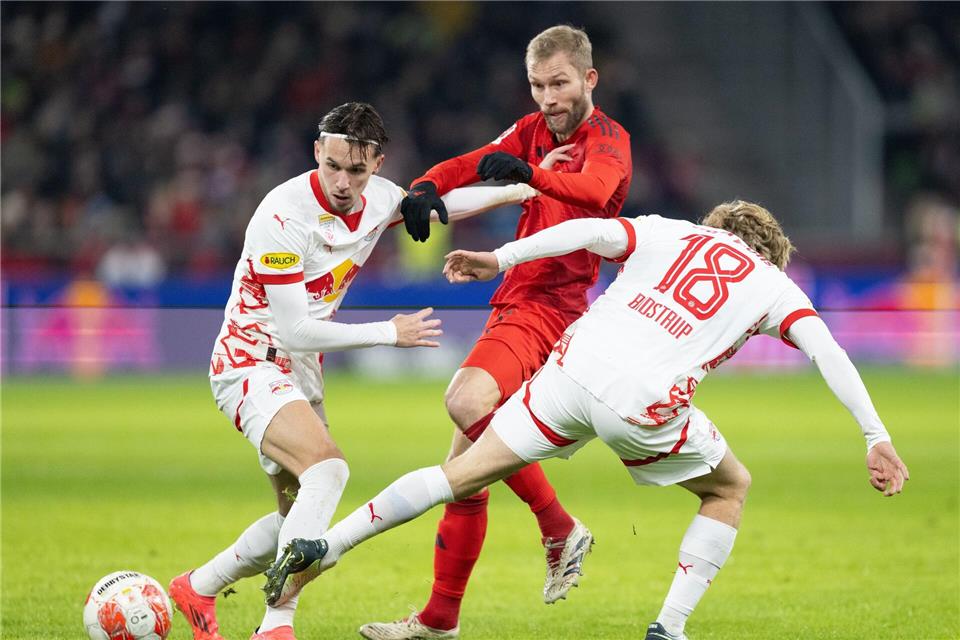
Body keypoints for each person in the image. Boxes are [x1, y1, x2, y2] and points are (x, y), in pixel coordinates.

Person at [263, 201, 909, 640]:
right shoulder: (772, 283)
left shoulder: (669, 230)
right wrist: (875, 437)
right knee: (728, 487)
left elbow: (590, 233)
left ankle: (332, 543)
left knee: (460, 473)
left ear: (715, 224)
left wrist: (502, 256)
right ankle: (670, 628)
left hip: (572, 367)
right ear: (772, 250)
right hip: (643, 400)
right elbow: (828, 350)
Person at [168, 102, 539, 640]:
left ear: (378, 165)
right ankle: (275, 627)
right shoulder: (282, 215)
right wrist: (389, 332)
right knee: (330, 470)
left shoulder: (379, 199)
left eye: (357, 171)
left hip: (302, 373)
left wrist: (517, 191)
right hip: (249, 361)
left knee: (294, 520)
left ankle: (199, 587)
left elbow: (442, 206)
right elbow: (294, 330)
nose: (343, 182)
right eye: (333, 166)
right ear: (317, 151)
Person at [352, 25, 633, 639]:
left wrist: (529, 175)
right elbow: (471, 163)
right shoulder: (532, 131)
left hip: (549, 305)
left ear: (589, 79)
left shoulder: (609, 139)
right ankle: (438, 621)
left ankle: (558, 526)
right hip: (520, 299)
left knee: (464, 399)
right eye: (537, 85)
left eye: (560, 83)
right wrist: (425, 187)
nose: (548, 98)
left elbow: (594, 190)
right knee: (464, 477)